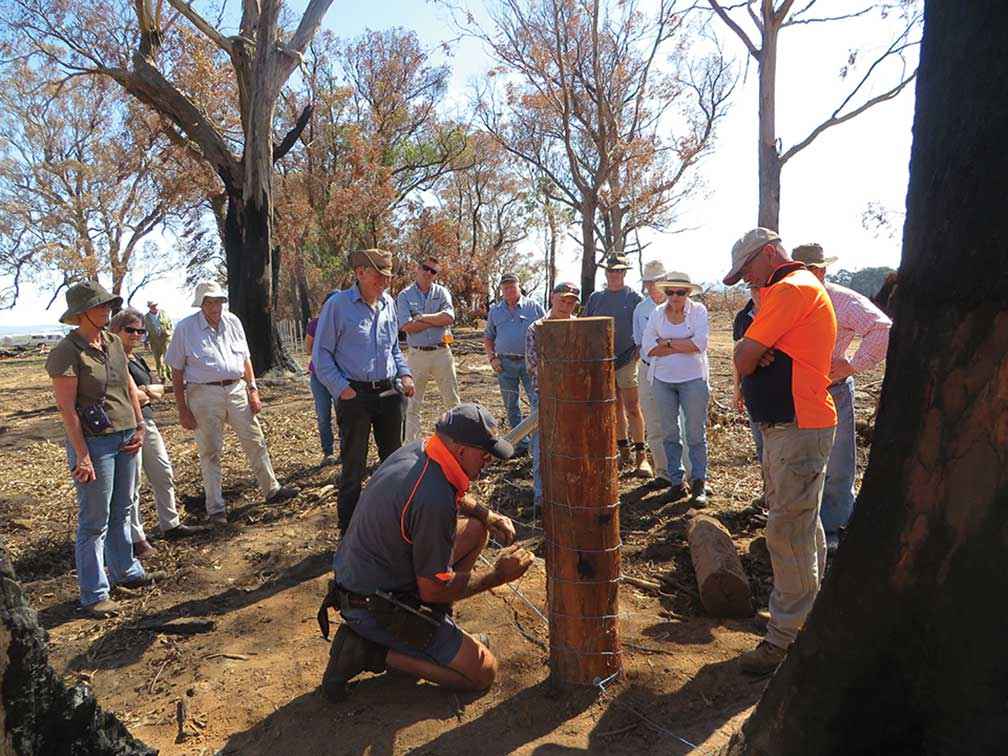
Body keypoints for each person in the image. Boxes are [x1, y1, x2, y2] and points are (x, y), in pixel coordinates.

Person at [318, 403, 533, 700]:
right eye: (484, 453)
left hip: (365, 578)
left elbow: (453, 493)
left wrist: (487, 514)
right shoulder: (433, 502)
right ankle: (368, 650)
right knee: (483, 672)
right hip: (374, 604)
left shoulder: (421, 449)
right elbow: (433, 588)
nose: (488, 461)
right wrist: (497, 575)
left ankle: (433, 631)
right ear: (459, 451)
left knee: (474, 529)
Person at [726, 228, 837, 675]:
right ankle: (808, 619)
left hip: (798, 426)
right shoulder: (789, 290)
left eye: (749, 270)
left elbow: (742, 355)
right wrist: (753, 350)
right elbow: (750, 352)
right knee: (803, 527)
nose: (749, 281)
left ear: (770, 254)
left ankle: (785, 640)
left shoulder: (791, 288)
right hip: (790, 426)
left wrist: (750, 349)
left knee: (786, 532)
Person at [46, 282, 164, 619]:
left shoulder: (113, 341)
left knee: (123, 508)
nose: (107, 310)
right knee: (94, 520)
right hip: (95, 443)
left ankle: (126, 570)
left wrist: (139, 424)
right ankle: (94, 594)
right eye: (100, 306)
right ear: (81, 313)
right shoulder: (67, 352)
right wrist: (81, 454)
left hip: (126, 434)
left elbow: (128, 385)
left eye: (109, 305)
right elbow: (67, 411)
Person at [166, 282, 297, 527]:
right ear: (201, 304)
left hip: (237, 388)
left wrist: (253, 390)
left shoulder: (233, 322)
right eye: (209, 302)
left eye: (218, 301)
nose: (215, 307)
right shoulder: (185, 328)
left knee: (255, 440)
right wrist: (182, 408)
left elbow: (245, 359)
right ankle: (215, 509)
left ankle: (272, 489)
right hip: (203, 394)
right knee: (210, 451)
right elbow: (176, 370)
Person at [793, 243, 892, 552]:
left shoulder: (842, 300)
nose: (807, 276)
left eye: (812, 270)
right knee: (797, 459)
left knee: (837, 462)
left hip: (830, 389)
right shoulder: (786, 298)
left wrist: (850, 365)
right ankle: (803, 528)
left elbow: (881, 328)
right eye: (800, 271)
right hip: (793, 390)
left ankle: (833, 529)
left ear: (822, 271)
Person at [313, 249, 416, 532]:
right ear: (360, 273)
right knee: (353, 469)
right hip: (354, 397)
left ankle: (393, 527)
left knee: (394, 465)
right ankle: (349, 532)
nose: (384, 283)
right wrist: (342, 390)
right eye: (378, 277)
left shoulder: (389, 304)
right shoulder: (337, 306)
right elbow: (321, 356)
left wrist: (405, 374)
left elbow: (393, 348)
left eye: (387, 278)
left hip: (389, 395)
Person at [109, 309, 203, 557]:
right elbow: (125, 395)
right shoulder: (110, 359)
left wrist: (146, 391)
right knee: (133, 484)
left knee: (163, 472)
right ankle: (136, 538)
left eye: (141, 331)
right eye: (130, 330)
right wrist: (146, 392)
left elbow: (156, 387)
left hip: (147, 423)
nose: (136, 335)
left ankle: (170, 524)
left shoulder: (136, 359)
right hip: (125, 426)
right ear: (115, 330)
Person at [641, 272, 710, 504]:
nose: (675, 296)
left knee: (694, 432)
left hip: (693, 379)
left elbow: (699, 344)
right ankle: (676, 481)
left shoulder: (698, 311)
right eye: (670, 292)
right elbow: (648, 347)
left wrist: (667, 343)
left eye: (680, 292)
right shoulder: (657, 313)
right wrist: (682, 344)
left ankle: (699, 482)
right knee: (669, 433)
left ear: (688, 293)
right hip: (663, 379)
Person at [585, 254, 650, 477]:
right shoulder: (596, 298)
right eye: (612, 271)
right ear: (606, 273)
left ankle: (642, 456)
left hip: (627, 359)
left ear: (624, 273)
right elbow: (587, 327)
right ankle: (623, 452)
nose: (615, 275)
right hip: (602, 362)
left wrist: (637, 352)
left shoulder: (634, 297)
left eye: (619, 271)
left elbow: (643, 327)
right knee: (614, 408)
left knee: (632, 407)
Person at [525, 281, 580, 512]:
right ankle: (541, 497)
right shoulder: (536, 328)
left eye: (571, 302)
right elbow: (532, 365)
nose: (566, 305)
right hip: (545, 396)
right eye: (563, 299)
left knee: (574, 446)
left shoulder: (581, 327)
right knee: (541, 446)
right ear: (552, 298)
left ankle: (572, 495)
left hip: (576, 398)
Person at [396, 256, 461, 442]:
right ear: (417, 268)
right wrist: (434, 320)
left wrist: (420, 317)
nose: (428, 273)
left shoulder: (442, 292)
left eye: (433, 271)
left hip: (442, 353)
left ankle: (455, 442)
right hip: (417, 355)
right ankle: (411, 446)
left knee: (452, 402)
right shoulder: (405, 296)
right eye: (425, 268)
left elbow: (448, 317)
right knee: (412, 404)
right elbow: (405, 325)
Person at [483, 274, 545, 455]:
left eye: (512, 286)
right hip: (504, 364)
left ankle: (537, 445)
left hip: (530, 363)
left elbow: (547, 328)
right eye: (505, 287)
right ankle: (521, 444)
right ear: (501, 290)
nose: (509, 290)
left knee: (537, 403)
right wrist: (492, 358)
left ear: (519, 287)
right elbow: (488, 337)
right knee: (511, 405)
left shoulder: (533, 307)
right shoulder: (495, 311)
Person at [305, 292, 339, 466]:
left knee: (344, 414)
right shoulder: (314, 324)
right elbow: (308, 349)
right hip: (318, 377)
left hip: (340, 377)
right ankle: (328, 452)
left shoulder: (345, 323)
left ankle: (347, 449)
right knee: (323, 415)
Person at [732, 285, 765, 465]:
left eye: (762, 288)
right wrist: (737, 389)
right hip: (751, 387)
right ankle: (769, 489)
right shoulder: (743, 318)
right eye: (754, 288)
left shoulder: (780, 313)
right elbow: (736, 355)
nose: (758, 293)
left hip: (779, 390)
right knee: (760, 444)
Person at [143, 300, 173, 382]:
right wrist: (145, 342)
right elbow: (144, 331)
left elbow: (170, 325)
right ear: (149, 307)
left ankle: (170, 375)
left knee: (167, 357)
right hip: (154, 340)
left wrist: (170, 334)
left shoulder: (164, 313)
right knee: (158, 359)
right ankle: (162, 376)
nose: (154, 307)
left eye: (155, 305)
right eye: (152, 306)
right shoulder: (146, 317)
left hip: (166, 338)